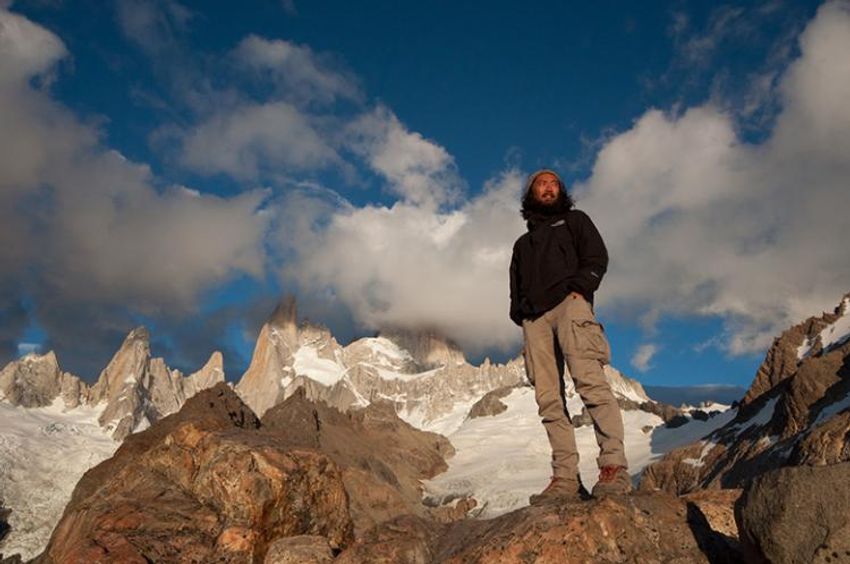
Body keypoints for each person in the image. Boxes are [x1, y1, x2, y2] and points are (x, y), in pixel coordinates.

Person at [509, 169, 631, 503]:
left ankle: (614, 467)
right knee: (548, 399)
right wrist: (519, 313)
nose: (548, 187)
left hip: (570, 305)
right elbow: (515, 284)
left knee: (590, 383)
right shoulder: (522, 244)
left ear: (560, 191)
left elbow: (596, 257)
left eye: (554, 183)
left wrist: (581, 288)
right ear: (531, 193)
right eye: (541, 183)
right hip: (534, 320)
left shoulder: (576, 221)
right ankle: (565, 478)